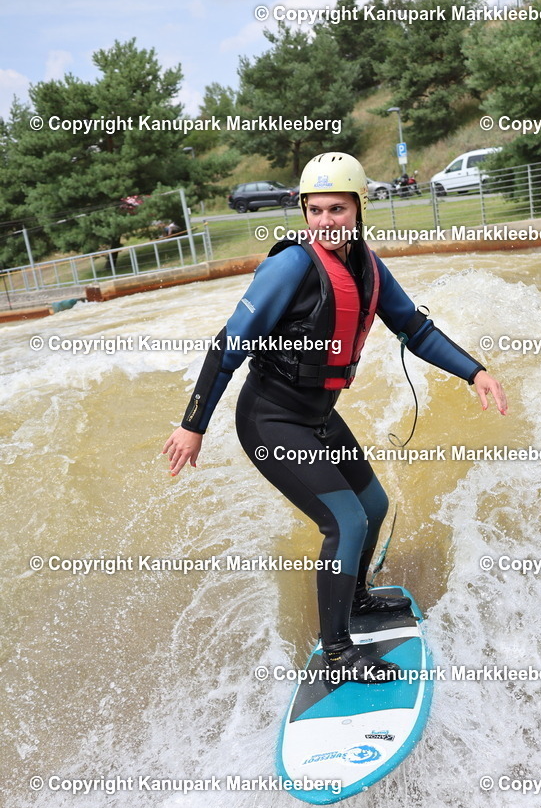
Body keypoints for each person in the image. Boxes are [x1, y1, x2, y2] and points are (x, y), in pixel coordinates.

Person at [163, 152, 507, 683]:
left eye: (338, 209)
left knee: (372, 504)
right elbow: (227, 345)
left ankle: (359, 598)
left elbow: (415, 331)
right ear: (303, 212)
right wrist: (193, 425)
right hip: (271, 419)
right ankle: (338, 655)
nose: (325, 221)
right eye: (315, 210)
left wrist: (474, 372)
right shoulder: (292, 266)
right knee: (342, 519)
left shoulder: (369, 266)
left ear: (358, 209)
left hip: (318, 415)